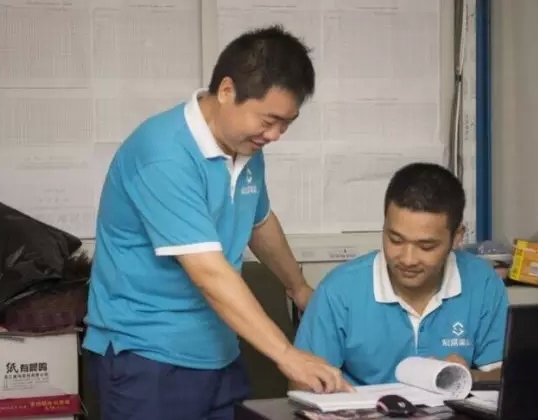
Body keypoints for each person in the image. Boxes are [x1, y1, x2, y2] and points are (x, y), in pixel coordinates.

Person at [83, 25, 351, 420]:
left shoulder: (245, 146)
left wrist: (298, 288)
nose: (275, 135)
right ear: (227, 91)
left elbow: (259, 222)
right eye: (270, 120)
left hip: (219, 351)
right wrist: (287, 355)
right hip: (147, 357)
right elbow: (208, 272)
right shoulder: (164, 154)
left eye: (286, 124)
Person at [293, 162, 509, 387]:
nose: (407, 259)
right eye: (395, 240)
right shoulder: (339, 291)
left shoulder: (483, 283)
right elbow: (301, 384)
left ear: (457, 237)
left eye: (426, 246)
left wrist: (466, 376)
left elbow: (505, 374)